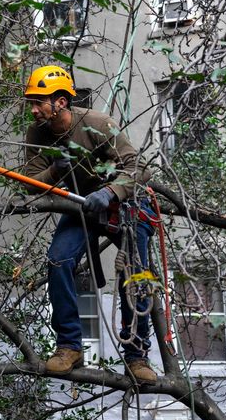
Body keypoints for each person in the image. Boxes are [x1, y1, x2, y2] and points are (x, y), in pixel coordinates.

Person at [22, 64, 157, 384]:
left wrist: (111, 191)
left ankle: (137, 355)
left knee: (134, 274)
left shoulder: (97, 124)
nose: (34, 109)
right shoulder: (37, 133)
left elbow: (139, 169)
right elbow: (29, 183)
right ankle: (69, 346)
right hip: (82, 207)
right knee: (58, 259)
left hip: (125, 205)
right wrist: (55, 171)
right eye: (32, 102)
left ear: (61, 102)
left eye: (40, 101)